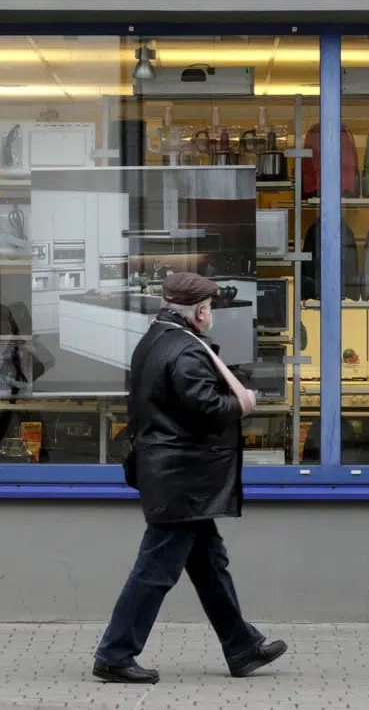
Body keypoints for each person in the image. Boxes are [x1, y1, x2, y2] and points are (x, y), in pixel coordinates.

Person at [93, 272, 288, 684]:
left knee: (211, 564)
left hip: (176, 477)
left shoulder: (156, 338)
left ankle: (242, 647)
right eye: (210, 307)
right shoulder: (184, 350)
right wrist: (243, 403)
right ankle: (114, 654)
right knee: (155, 570)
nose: (211, 313)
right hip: (181, 480)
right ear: (199, 311)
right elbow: (205, 407)